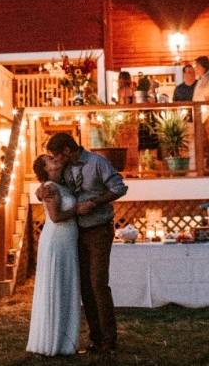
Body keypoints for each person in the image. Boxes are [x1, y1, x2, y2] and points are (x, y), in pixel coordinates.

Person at [37, 133, 128, 358]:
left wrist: (94, 202)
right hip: (76, 234)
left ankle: (109, 341)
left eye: (57, 154)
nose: (56, 159)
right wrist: (40, 190)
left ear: (67, 150)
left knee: (98, 284)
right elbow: (54, 187)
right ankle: (95, 339)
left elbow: (119, 187)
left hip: (98, 230)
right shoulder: (66, 169)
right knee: (85, 288)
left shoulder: (97, 163)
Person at [27, 154, 81, 356]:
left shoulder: (62, 183)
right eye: (50, 159)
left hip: (67, 240)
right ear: (45, 169)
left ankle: (64, 340)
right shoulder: (49, 186)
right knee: (56, 284)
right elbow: (56, 216)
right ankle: (53, 341)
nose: (55, 159)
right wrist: (78, 210)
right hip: (57, 240)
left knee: (65, 284)